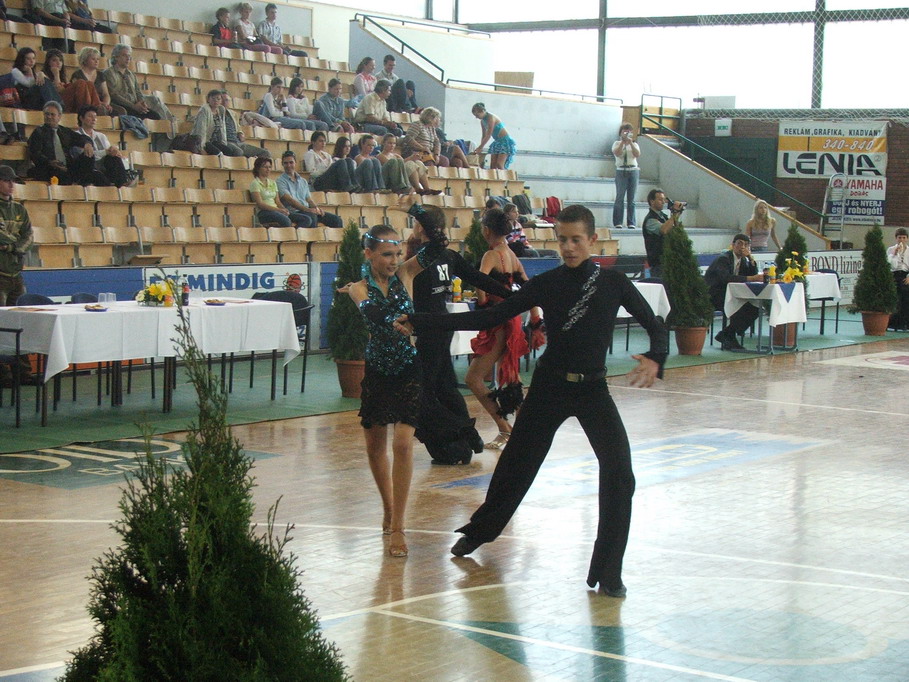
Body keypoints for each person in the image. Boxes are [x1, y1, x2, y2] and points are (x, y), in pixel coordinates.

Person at [395, 204, 668, 597]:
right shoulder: (548, 283)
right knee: (516, 467)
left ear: (592, 239)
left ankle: (609, 572)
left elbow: (655, 325)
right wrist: (422, 321)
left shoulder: (614, 283)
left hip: (593, 390)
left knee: (621, 475)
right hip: (550, 388)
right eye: (562, 240)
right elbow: (487, 319)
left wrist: (656, 357)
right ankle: (479, 531)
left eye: (576, 240)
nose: (568, 247)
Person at [343, 221, 447, 557]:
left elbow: (439, 244)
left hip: (408, 369)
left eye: (397, 253)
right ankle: (388, 508)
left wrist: (415, 211)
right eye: (387, 254)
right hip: (377, 372)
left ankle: (399, 526)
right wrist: (396, 322)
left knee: (402, 444)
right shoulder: (358, 288)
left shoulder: (406, 273)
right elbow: (372, 314)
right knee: (375, 448)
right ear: (369, 254)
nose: (394, 260)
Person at [407, 203, 513, 464]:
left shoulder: (420, 259)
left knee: (423, 392)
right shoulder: (449, 256)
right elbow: (479, 279)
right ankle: (464, 442)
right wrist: (511, 296)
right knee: (446, 387)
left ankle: (460, 435)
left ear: (421, 227)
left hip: (426, 329)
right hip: (444, 327)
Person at [464, 208, 541, 449]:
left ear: (487, 230)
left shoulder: (491, 255)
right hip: (512, 319)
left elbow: (480, 282)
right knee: (511, 377)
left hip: (499, 320)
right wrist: (536, 319)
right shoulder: (511, 255)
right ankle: (523, 432)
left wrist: (484, 305)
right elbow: (528, 287)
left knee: (474, 378)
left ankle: (505, 429)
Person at [0, 164, 38, 388]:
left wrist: (13, 247)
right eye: (7, 180)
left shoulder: (19, 210)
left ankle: (23, 372)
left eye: (13, 180)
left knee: (20, 322)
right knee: (1, 323)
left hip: (16, 272)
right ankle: (3, 374)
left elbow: (29, 235)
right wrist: (16, 245)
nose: (11, 184)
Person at [705, 233, 764, 351]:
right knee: (742, 308)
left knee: (755, 307)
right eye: (739, 244)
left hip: (732, 294)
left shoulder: (743, 261)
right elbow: (725, 278)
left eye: (746, 245)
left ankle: (727, 334)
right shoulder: (723, 259)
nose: (742, 247)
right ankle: (729, 336)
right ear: (733, 245)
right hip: (715, 295)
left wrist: (750, 258)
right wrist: (751, 278)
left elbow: (752, 274)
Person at [104, 44, 174, 121]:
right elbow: (114, 95)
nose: (128, 58)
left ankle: (170, 124)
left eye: (129, 56)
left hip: (135, 105)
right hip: (122, 106)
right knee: (149, 116)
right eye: (124, 55)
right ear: (116, 57)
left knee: (156, 115)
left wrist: (141, 102)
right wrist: (133, 106)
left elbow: (138, 92)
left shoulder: (131, 74)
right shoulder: (109, 73)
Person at [276, 150, 342, 228]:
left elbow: (309, 200)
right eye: (286, 163)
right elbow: (290, 201)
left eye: (291, 162)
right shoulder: (280, 181)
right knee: (312, 217)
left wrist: (317, 209)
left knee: (336, 220)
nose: (288, 165)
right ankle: (313, 236)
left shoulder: (303, 181)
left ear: (295, 163)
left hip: (307, 210)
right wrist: (307, 210)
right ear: (282, 164)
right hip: (294, 212)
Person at [72, 105, 135, 187]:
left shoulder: (101, 136)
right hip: (86, 169)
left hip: (103, 167)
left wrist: (114, 151)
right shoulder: (76, 136)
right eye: (90, 116)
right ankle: (114, 186)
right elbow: (84, 155)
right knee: (97, 173)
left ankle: (122, 183)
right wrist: (106, 152)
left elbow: (108, 152)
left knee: (114, 158)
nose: (93, 119)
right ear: (81, 118)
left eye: (95, 117)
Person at [27, 100, 84, 184]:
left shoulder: (65, 131)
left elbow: (81, 138)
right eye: (47, 114)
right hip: (48, 168)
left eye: (52, 114)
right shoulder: (38, 132)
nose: (49, 117)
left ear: (59, 116)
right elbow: (35, 154)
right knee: (64, 175)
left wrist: (88, 143)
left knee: (90, 160)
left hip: (67, 167)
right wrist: (50, 162)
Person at [249, 156, 309, 227]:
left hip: (276, 211)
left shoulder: (273, 183)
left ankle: (294, 232)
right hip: (264, 212)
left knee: (306, 219)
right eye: (265, 167)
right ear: (258, 168)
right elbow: (260, 204)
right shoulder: (255, 183)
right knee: (286, 221)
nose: (268, 169)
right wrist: (278, 210)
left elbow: (277, 201)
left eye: (269, 167)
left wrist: (284, 209)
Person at [66, 47, 123, 116]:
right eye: (93, 59)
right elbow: (78, 96)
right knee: (101, 110)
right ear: (85, 60)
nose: (96, 61)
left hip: (101, 104)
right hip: (86, 104)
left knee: (120, 111)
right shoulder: (77, 75)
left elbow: (106, 94)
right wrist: (100, 103)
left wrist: (106, 104)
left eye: (98, 59)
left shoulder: (100, 75)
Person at [641, 188, 684, 278]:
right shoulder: (650, 220)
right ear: (652, 201)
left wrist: (677, 213)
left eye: (664, 199)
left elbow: (673, 229)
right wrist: (674, 214)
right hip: (658, 263)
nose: (663, 202)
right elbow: (664, 230)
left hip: (668, 260)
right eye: (660, 199)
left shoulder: (663, 216)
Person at [219, 91, 272, 159]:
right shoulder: (216, 113)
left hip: (238, 142)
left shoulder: (233, 114)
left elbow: (238, 127)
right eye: (222, 100)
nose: (224, 102)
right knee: (239, 152)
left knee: (266, 153)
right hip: (226, 142)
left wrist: (240, 133)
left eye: (226, 100)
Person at [193, 89, 241, 157]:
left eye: (218, 99)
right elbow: (201, 130)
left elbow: (222, 130)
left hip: (215, 141)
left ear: (221, 101)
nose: (216, 101)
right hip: (205, 141)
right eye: (213, 98)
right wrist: (201, 147)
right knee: (219, 154)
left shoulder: (221, 110)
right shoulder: (204, 110)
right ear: (208, 99)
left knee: (229, 151)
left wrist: (223, 143)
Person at [611, 122, 640, 229]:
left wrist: (630, 143)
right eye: (625, 131)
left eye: (629, 132)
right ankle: (618, 221)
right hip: (621, 170)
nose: (627, 133)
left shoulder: (635, 144)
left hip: (633, 170)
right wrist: (623, 142)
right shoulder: (617, 143)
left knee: (631, 198)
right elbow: (617, 153)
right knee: (620, 197)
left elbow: (637, 154)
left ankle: (631, 222)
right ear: (620, 133)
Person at [472, 102, 516, 170]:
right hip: (497, 142)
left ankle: (504, 176)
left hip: (505, 141)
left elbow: (489, 134)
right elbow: (484, 135)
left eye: (477, 115)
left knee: (499, 164)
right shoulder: (482, 121)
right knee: (493, 166)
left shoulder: (491, 117)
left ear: (482, 111)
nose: (476, 117)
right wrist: (480, 147)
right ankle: (495, 177)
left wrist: (480, 147)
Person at [886, 227, 909, 330]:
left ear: (907, 239)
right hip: (894, 275)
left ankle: (905, 323)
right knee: (895, 299)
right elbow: (891, 265)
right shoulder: (890, 250)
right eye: (899, 237)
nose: (901, 240)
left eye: (904, 238)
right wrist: (895, 254)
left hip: (905, 275)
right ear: (896, 238)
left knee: (905, 299)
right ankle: (893, 323)